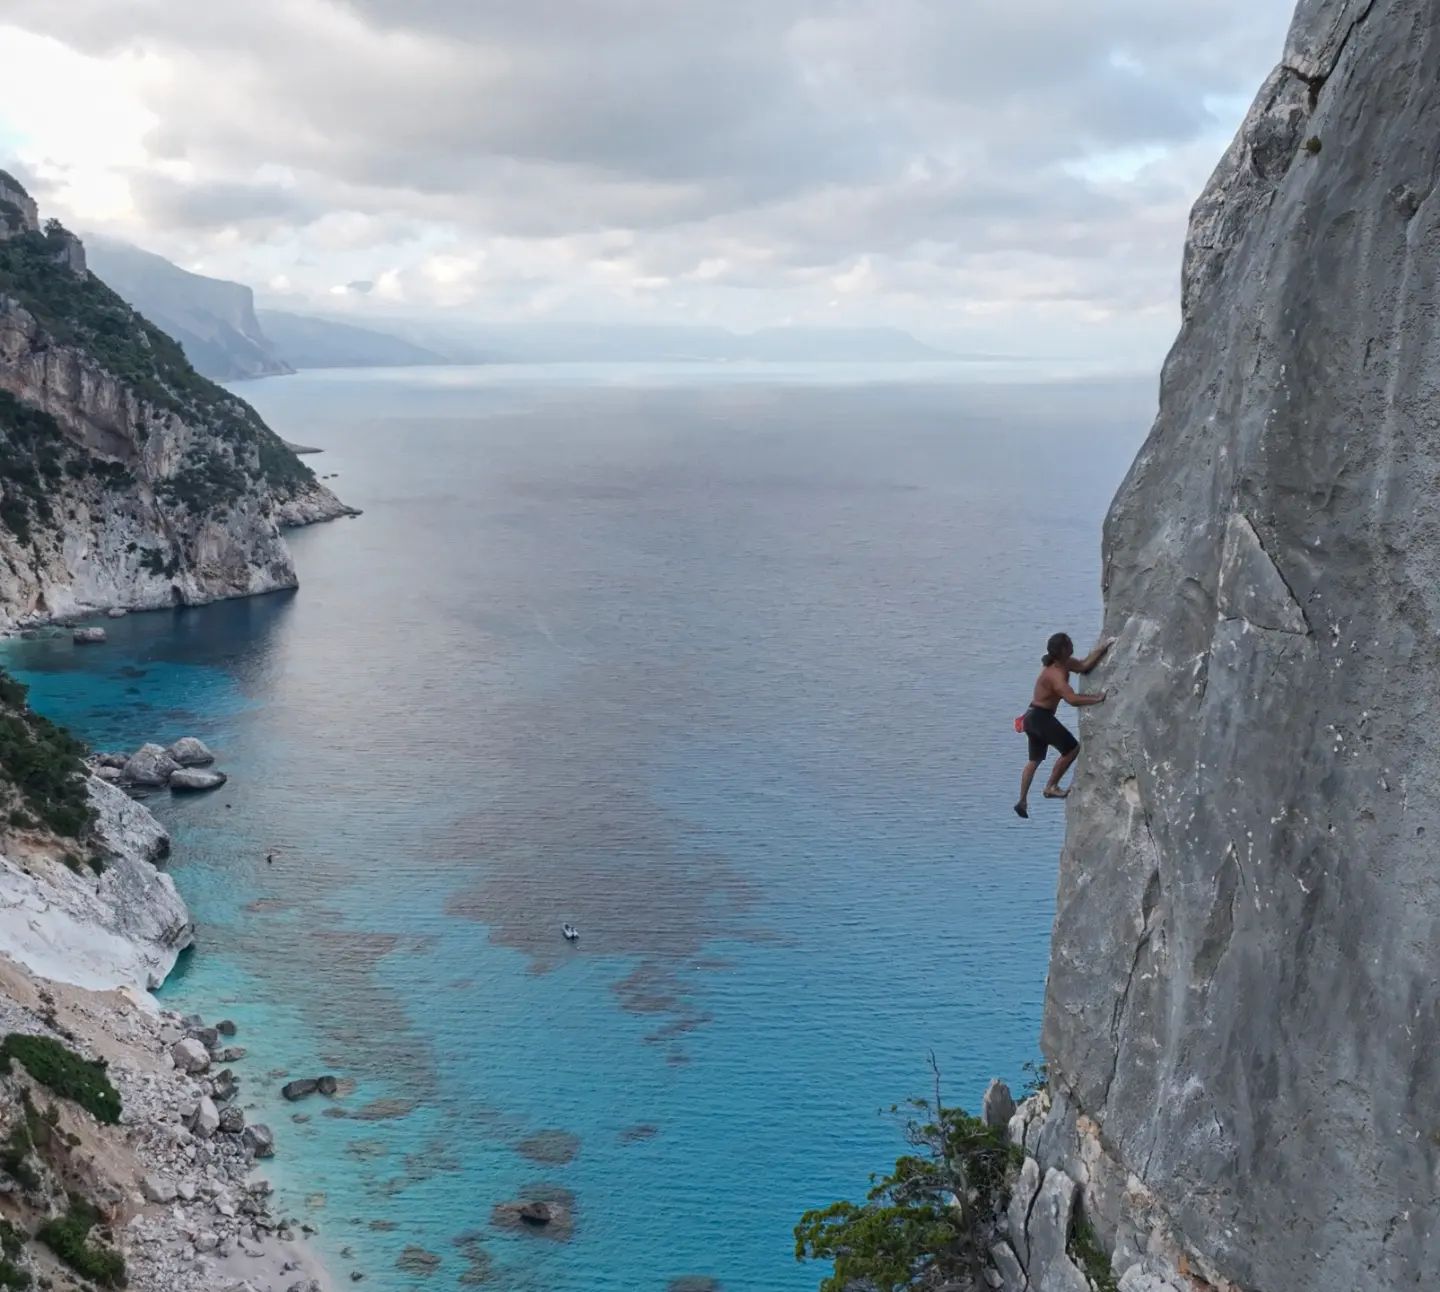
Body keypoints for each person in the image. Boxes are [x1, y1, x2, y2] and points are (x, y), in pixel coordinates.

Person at [1014, 632, 1113, 819]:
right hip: (1040, 717)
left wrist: (1104, 647)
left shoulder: (1064, 663)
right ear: (1061, 650)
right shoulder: (1056, 674)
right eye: (1068, 643)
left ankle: (1022, 800)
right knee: (1071, 749)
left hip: (1032, 717)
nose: (1071, 643)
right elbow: (1072, 699)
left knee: (1034, 761)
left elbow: (1084, 665)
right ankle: (1051, 786)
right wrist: (1098, 698)